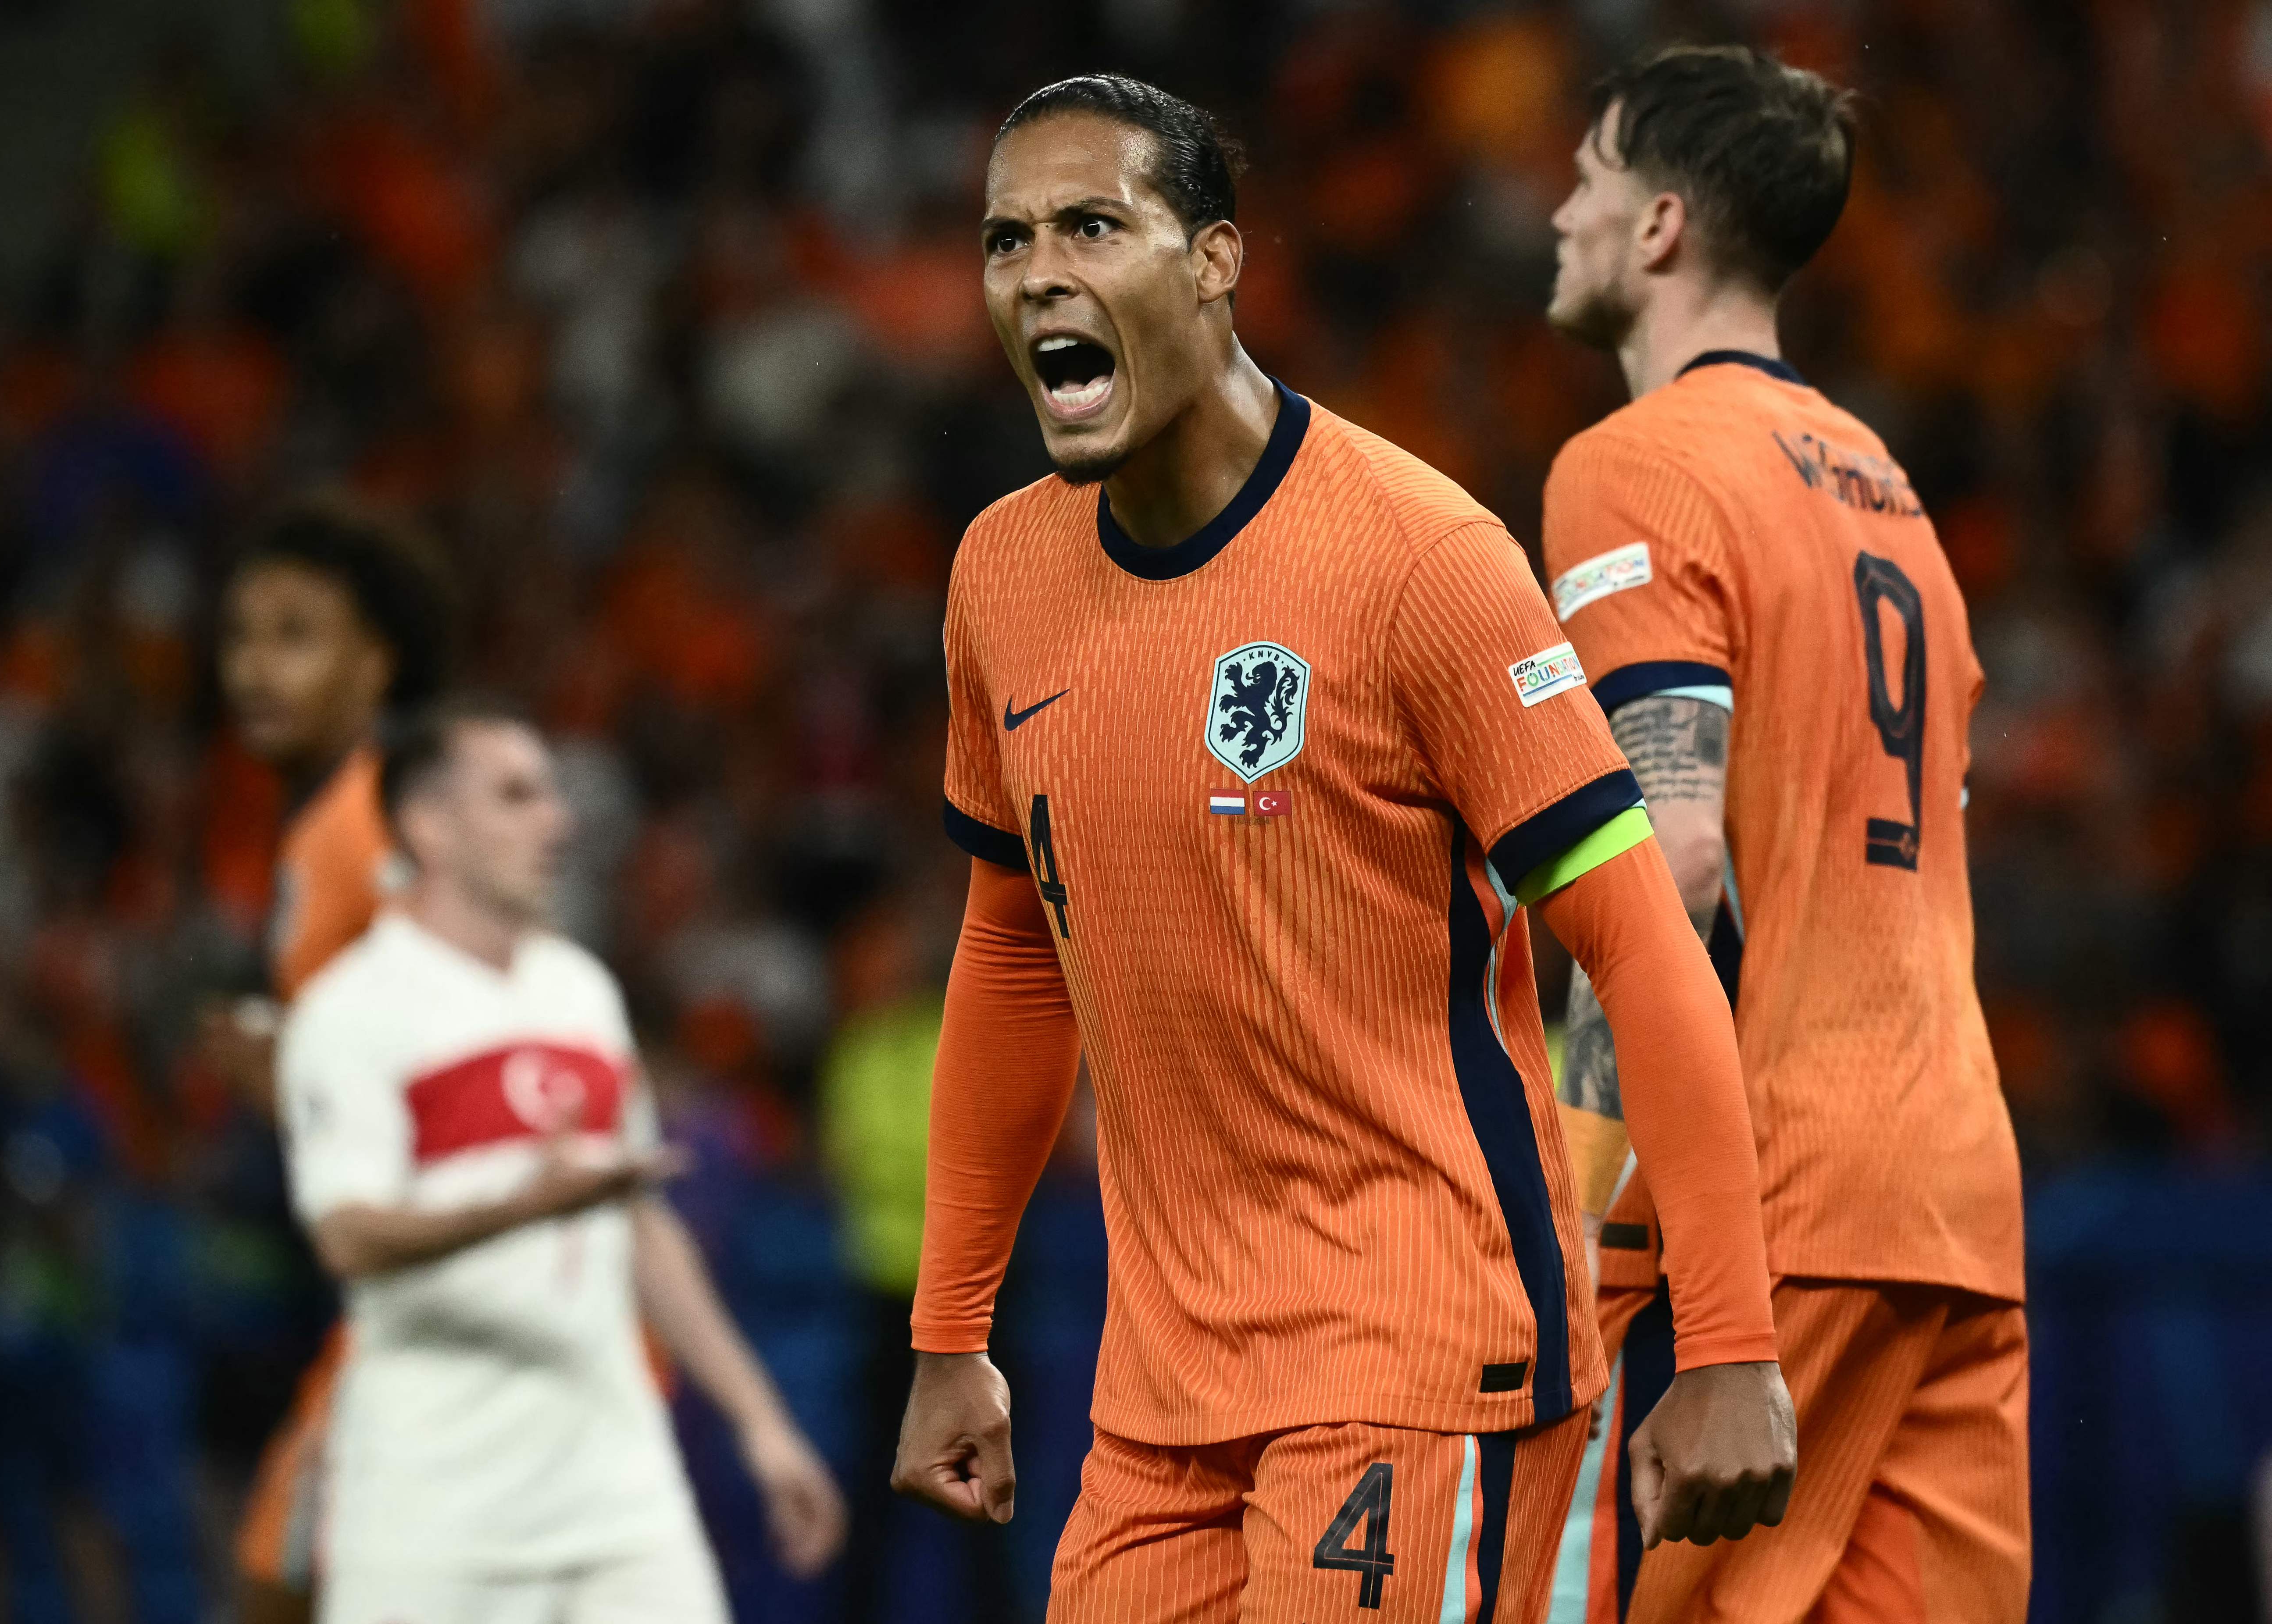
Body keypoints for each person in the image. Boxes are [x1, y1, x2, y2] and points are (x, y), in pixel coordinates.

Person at [891, 74, 1795, 1624]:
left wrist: (1723, 1343)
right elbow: (1010, 951)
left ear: (1212, 260)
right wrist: (948, 1328)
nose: (1036, 269)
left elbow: (1643, 944)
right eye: (1004, 237)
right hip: (1160, 1396)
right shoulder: (997, 576)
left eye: (1090, 224)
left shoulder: (1416, 559)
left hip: (1423, 1356)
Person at [1537, 46, 2026, 1624]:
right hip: (1950, 1198)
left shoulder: (1631, 468)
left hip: (1766, 1201)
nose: (1558, 216)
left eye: (1588, 184)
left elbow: (1664, 862)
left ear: (1660, 227)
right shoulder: (1888, 496)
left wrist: (1574, 1203)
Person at [277, 695, 846, 1624]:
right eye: (517, 795)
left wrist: (761, 1420)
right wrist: (523, 1207)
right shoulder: (354, 1009)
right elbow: (346, 1237)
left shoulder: (579, 990)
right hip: (433, 1497)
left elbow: (642, 1226)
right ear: (430, 826)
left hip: (613, 1481)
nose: (560, 818)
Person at [213, 499, 453, 1624]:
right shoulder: (357, 811)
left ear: (377, 661)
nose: (256, 666)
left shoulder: (366, 824)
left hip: (434, 1307)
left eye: (296, 633)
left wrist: (276, 1068)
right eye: (243, 634)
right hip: (408, 1298)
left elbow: (454, 1044)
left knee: (272, 1586)